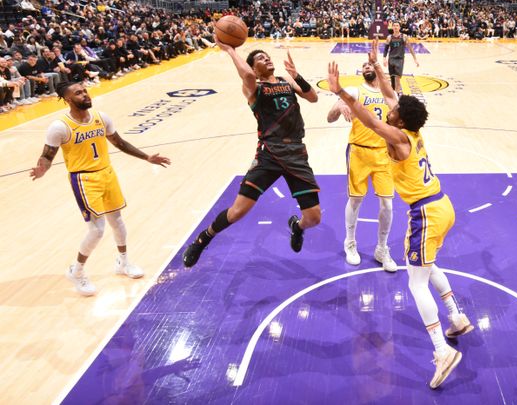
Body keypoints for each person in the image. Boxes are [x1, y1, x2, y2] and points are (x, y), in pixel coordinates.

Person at [327, 48, 472, 390]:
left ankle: (441, 351)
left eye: (393, 112)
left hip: (426, 212)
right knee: (427, 264)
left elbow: (369, 119)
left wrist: (340, 93)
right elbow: (391, 96)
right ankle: (456, 316)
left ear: (400, 121)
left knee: (415, 281)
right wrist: (378, 65)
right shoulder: (412, 127)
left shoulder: (397, 136)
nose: (389, 109)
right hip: (443, 204)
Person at [182, 38, 321, 267]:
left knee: (314, 218)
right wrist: (229, 49)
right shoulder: (253, 88)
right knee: (237, 212)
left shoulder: (286, 81)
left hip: (296, 152)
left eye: (266, 55)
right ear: (254, 70)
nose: (266, 57)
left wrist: (296, 76)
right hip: (270, 153)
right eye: (259, 58)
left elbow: (313, 97)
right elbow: (246, 76)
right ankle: (202, 238)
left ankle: (296, 226)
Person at [29, 81, 171, 296]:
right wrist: (42, 169)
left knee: (117, 221)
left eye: (84, 91)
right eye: (78, 93)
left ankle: (123, 262)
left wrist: (147, 157)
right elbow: (47, 156)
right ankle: (77, 271)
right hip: (84, 179)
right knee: (96, 230)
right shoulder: (60, 126)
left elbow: (120, 143)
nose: (85, 95)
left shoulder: (101, 117)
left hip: (107, 172)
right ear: (67, 99)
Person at [326, 39, 397, 272]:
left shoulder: (390, 94)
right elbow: (330, 117)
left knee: (387, 204)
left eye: (370, 65)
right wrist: (339, 106)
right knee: (356, 199)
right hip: (358, 151)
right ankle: (350, 243)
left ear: (376, 68)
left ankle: (381, 248)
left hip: (383, 154)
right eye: (364, 66)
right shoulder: (356, 90)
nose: (366, 68)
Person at [382, 22, 419, 92]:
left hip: (400, 59)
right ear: (392, 27)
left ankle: (397, 95)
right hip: (391, 59)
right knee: (392, 79)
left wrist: (415, 59)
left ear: (399, 27)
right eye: (394, 26)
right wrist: (384, 58)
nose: (395, 27)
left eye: (397, 26)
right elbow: (386, 49)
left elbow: (410, 48)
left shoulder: (404, 36)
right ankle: (394, 93)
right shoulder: (389, 37)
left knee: (397, 78)